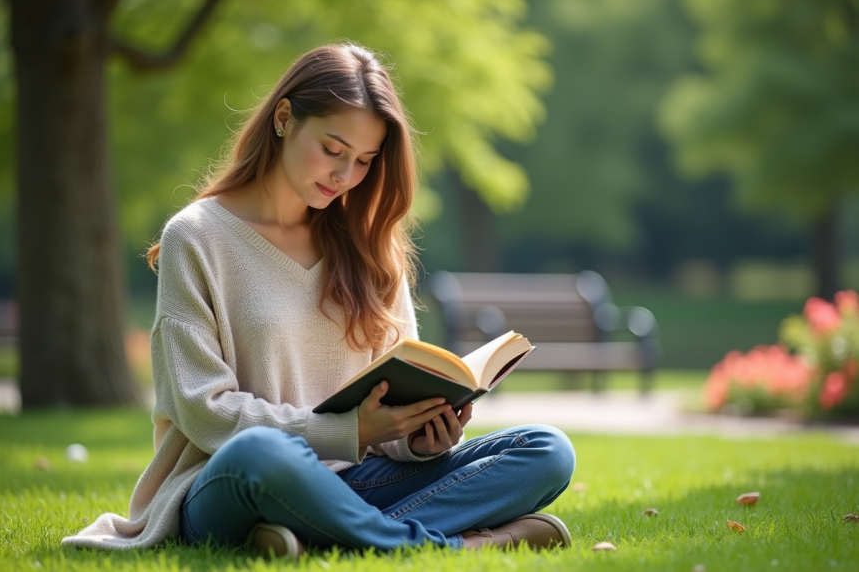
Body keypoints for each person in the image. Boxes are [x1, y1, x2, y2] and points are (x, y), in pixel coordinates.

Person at [61, 42, 575, 557]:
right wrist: (343, 431)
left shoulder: (371, 245)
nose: (345, 176)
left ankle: (312, 536)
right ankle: (450, 546)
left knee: (547, 450)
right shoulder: (196, 237)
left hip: (357, 481)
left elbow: (394, 390)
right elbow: (205, 411)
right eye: (333, 150)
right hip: (232, 480)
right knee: (265, 454)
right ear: (285, 118)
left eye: (364, 162)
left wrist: (419, 438)